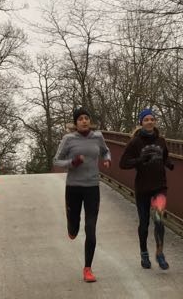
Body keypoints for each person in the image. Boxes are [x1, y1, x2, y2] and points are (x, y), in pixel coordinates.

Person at [53, 106, 111, 282]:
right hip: (74, 187)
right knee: (74, 226)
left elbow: (105, 151)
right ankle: (72, 227)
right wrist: (72, 162)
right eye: (80, 119)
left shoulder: (97, 137)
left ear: (89, 121)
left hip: (92, 186)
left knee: (90, 228)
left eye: (86, 118)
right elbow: (56, 161)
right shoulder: (68, 139)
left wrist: (107, 159)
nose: (84, 121)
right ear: (76, 123)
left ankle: (88, 268)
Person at [119, 108, 175, 270]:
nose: (150, 122)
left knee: (159, 220)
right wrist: (140, 160)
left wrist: (168, 164)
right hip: (143, 188)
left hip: (159, 187)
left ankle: (160, 253)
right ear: (141, 122)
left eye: (152, 119)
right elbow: (123, 164)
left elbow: (164, 156)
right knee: (144, 223)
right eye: (146, 119)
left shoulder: (161, 141)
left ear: (155, 122)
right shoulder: (135, 142)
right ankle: (144, 253)